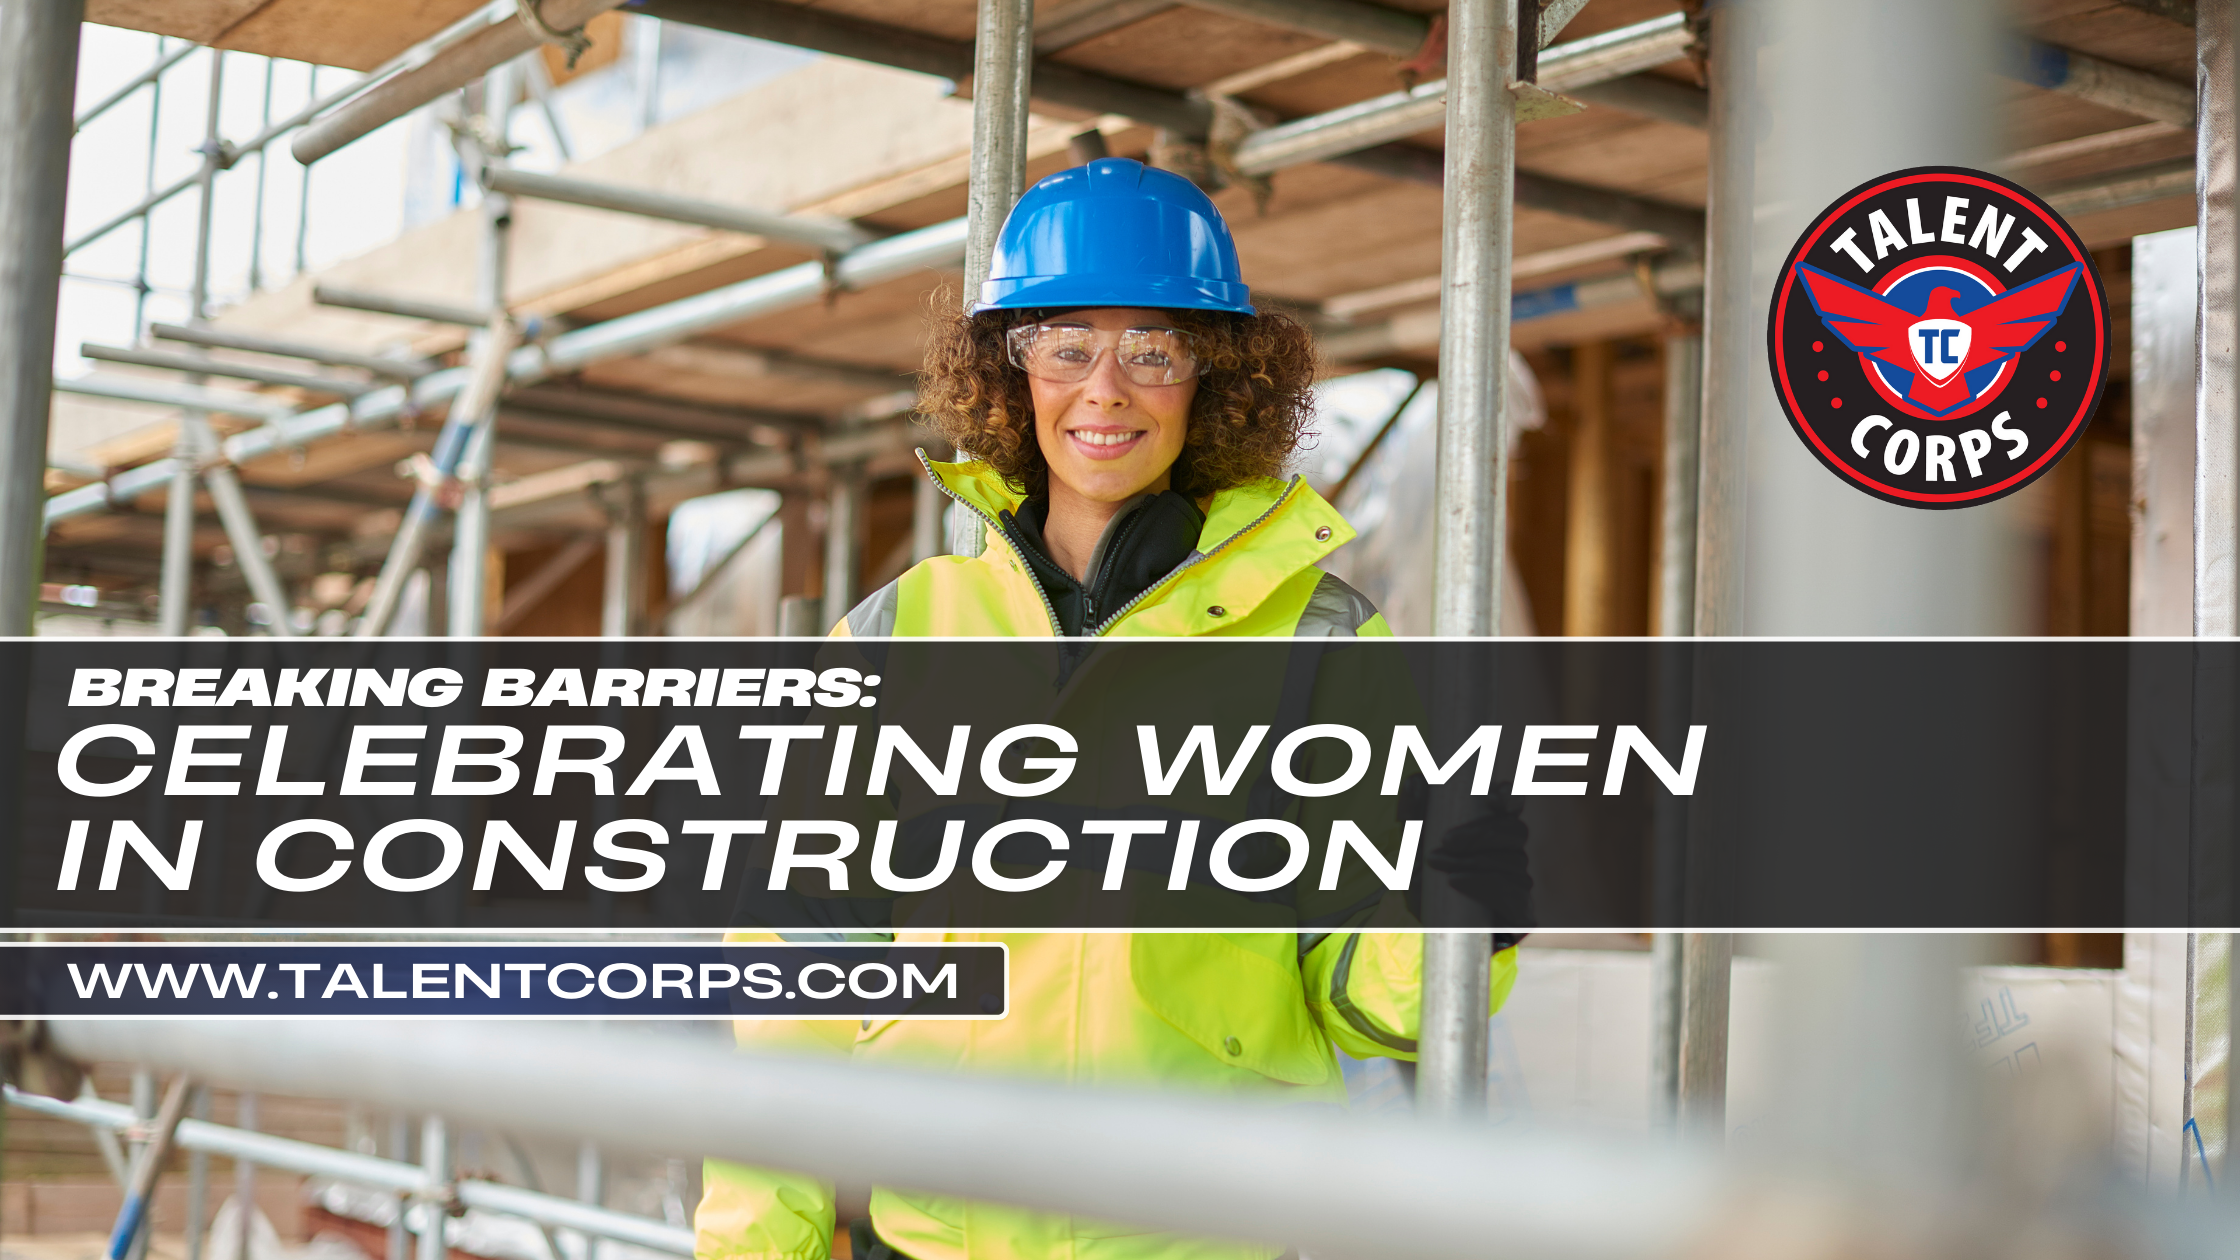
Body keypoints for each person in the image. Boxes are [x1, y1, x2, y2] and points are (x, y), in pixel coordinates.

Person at [695, 158, 1520, 1260]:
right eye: (1065, 346)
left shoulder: (1315, 642)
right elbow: (795, 996)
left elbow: (1364, 1001)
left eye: (1153, 349)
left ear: (1216, 377)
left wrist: (1456, 920)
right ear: (1008, 371)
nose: (1105, 390)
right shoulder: (895, 638)